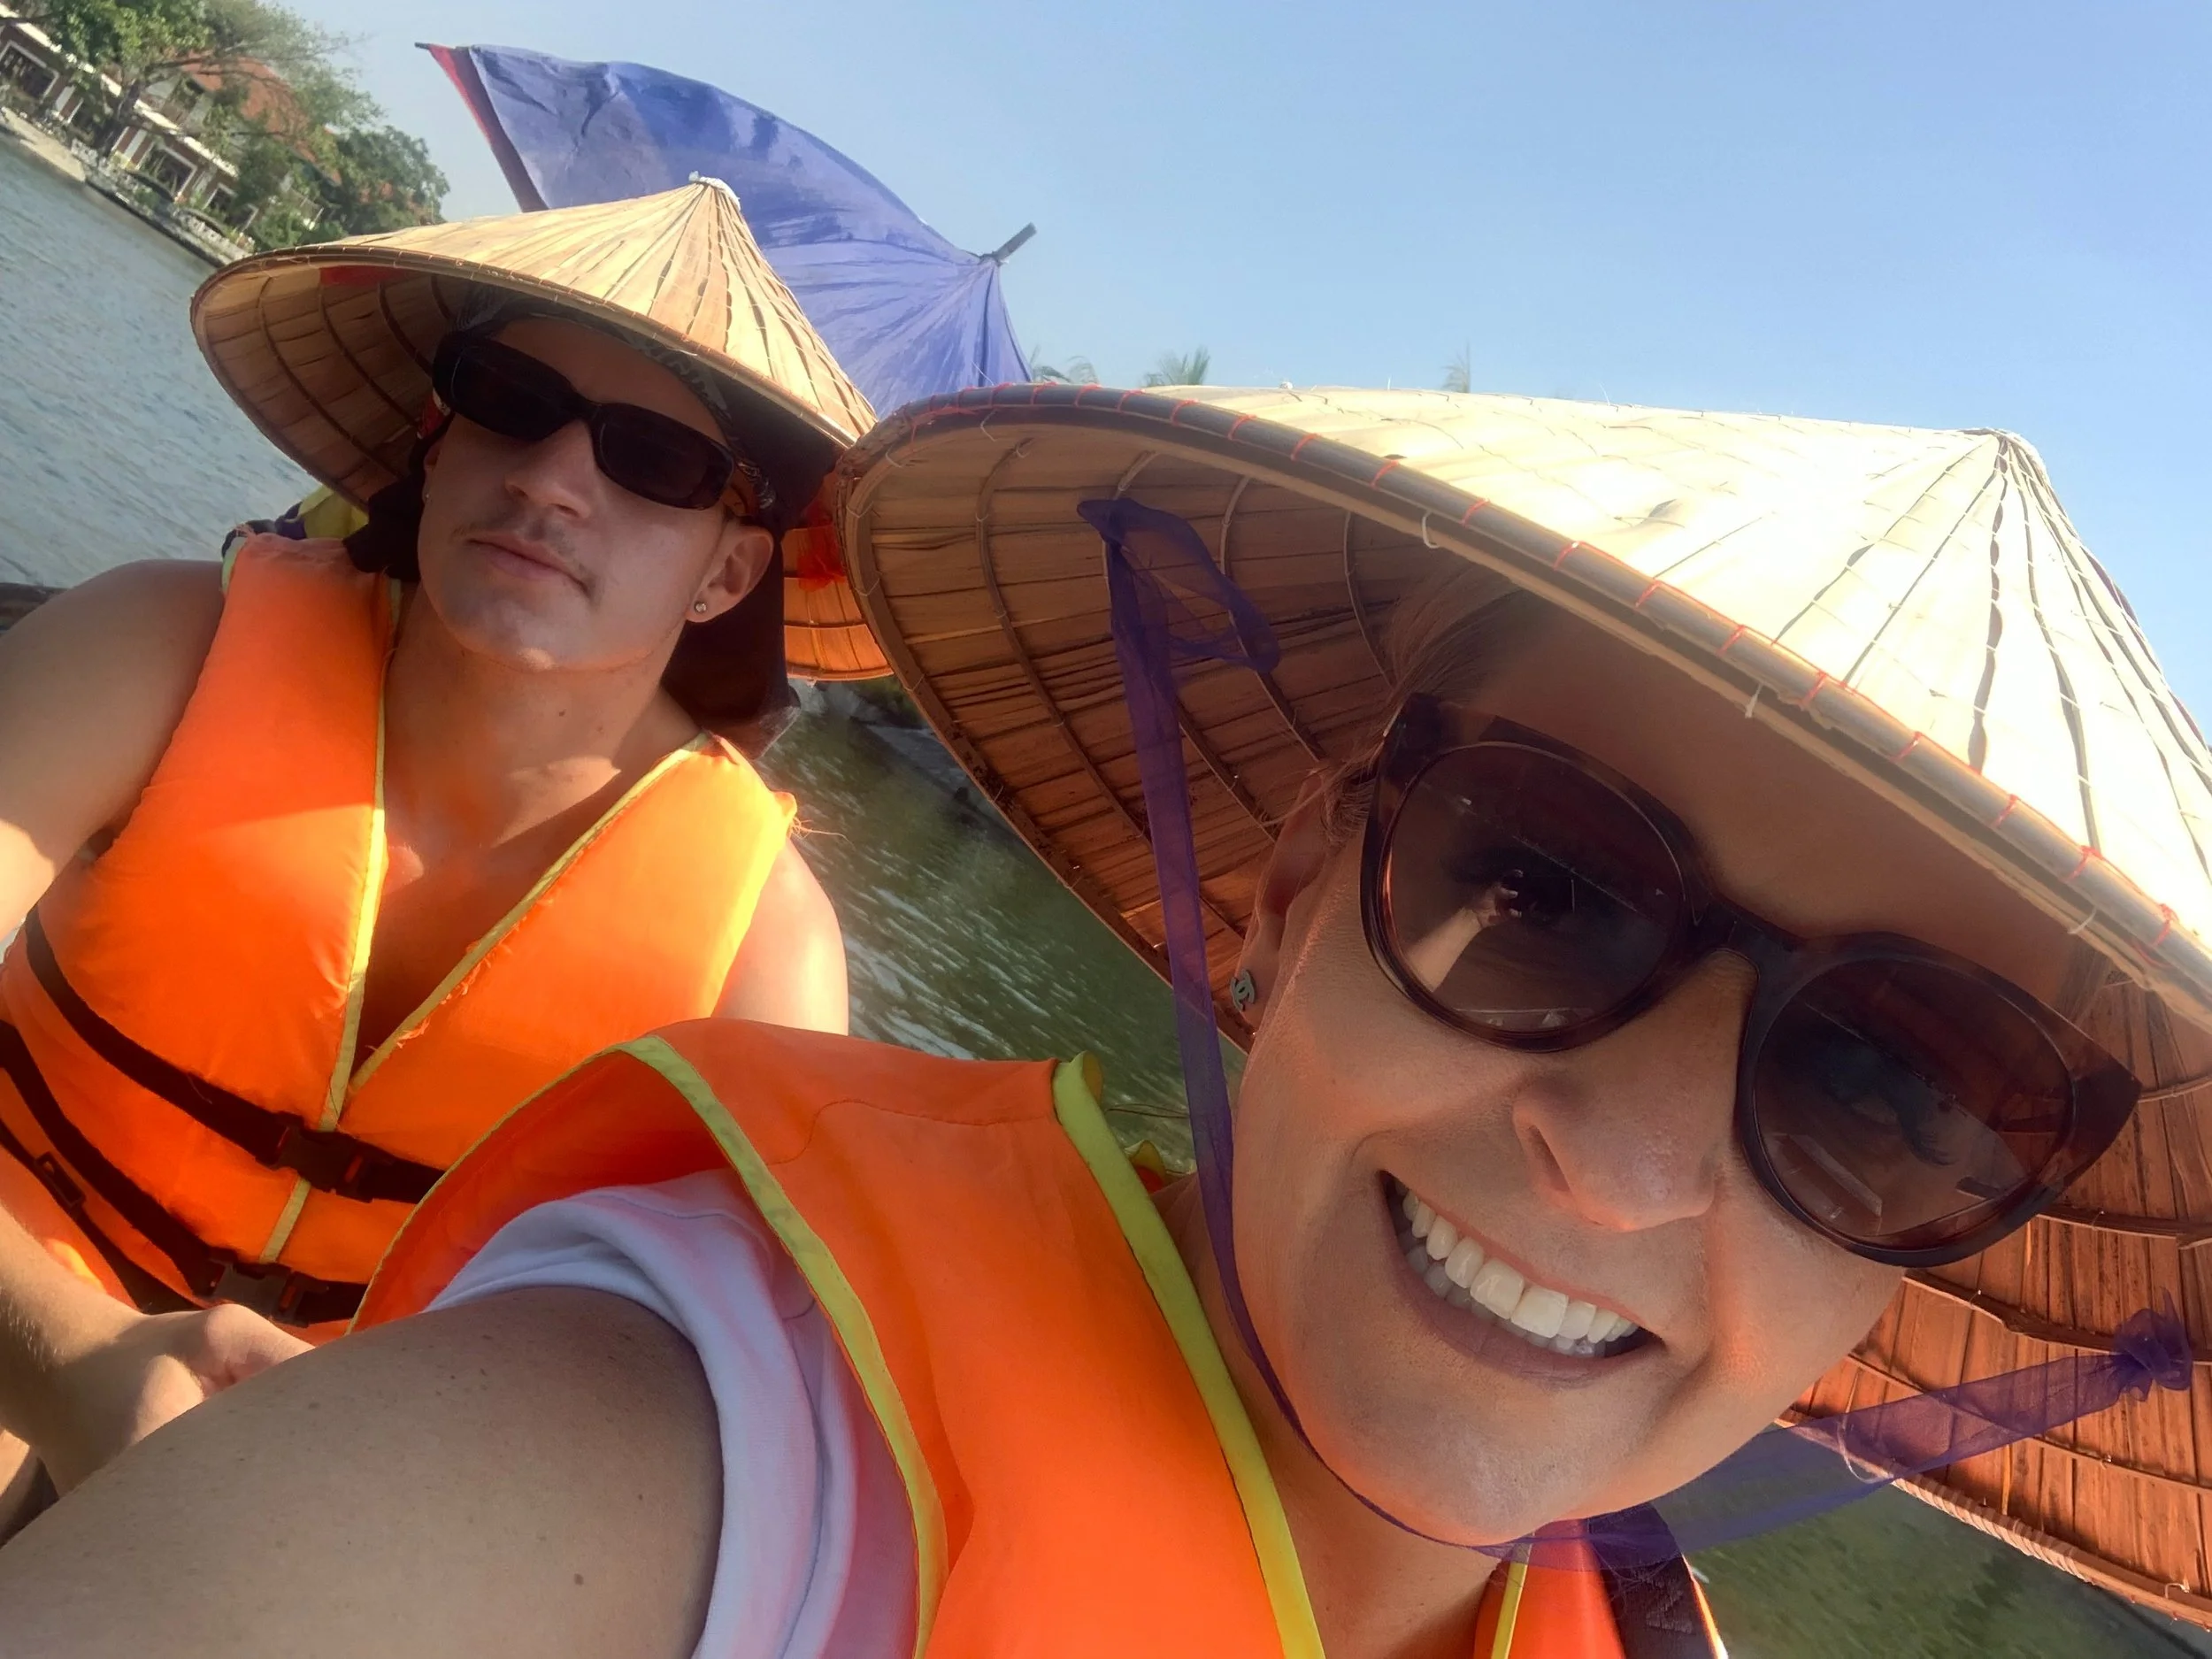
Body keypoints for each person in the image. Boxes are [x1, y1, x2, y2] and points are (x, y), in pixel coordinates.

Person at [4, 385, 2207, 1659]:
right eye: (1534, 883)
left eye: (1888, 1081)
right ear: (1284, 906)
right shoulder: (680, 1441)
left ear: (1931, 1253)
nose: (1622, 1160)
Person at [0, 180, 884, 1526]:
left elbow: (691, 1429)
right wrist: (68, 1352)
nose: (549, 479)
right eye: (510, 398)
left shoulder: (763, 955)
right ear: (438, 434)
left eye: (655, 461)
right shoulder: (161, 646)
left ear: (726, 575)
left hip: (332, 1499)